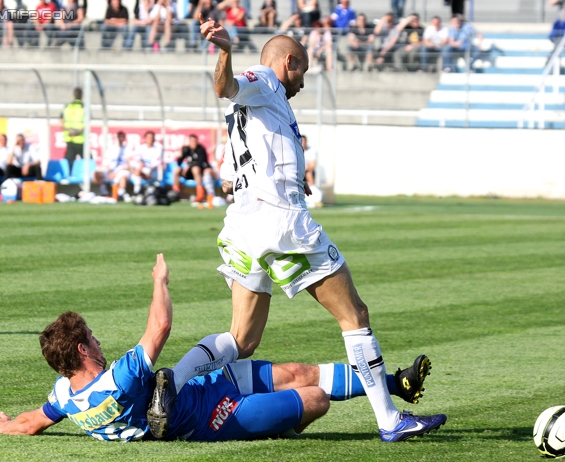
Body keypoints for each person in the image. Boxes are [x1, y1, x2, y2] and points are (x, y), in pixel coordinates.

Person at [146, 15, 448, 443]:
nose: (303, 82)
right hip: (281, 223)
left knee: (241, 339)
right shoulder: (266, 80)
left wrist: (289, 176)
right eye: (302, 70)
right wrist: (227, 51)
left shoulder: (247, 113)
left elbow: (233, 173)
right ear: (288, 61)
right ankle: (389, 419)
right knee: (354, 315)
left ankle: (169, 385)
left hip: (242, 222)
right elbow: (224, 85)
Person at [0, 254, 436, 442]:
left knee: (297, 369)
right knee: (314, 399)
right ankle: (279, 422)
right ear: (81, 348)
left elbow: (34, 423)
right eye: (91, 337)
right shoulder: (120, 378)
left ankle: (395, 383)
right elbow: (160, 325)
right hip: (213, 419)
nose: (98, 340)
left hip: (205, 386)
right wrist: (159, 281)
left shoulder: (65, 396)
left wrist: (3, 427)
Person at [172, 134, 215, 204]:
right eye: (191, 141)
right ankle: (175, 194)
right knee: (177, 170)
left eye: (195, 141)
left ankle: (200, 195)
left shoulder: (201, 149)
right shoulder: (186, 149)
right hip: (189, 173)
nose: (193, 143)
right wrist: (180, 152)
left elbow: (201, 162)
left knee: (195, 168)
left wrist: (189, 166)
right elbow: (179, 163)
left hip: (200, 172)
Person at [103, 131, 133, 201]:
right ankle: (105, 193)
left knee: (123, 176)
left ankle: (120, 194)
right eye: (119, 136)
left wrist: (116, 172)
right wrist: (110, 172)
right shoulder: (111, 148)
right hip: (111, 171)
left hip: (122, 170)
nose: (120, 138)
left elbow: (129, 164)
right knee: (96, 175)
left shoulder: (127, 148)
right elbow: (106, 162)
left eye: (122, 136)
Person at [60, 87, 84, 170]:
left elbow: (60, 121)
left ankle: (67, 176)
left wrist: (70, 130)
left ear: (73, 95)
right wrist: (76, 132)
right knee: (87, 160)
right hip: (80, 138)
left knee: (69, 160)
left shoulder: (67, 106)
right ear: (82, 95)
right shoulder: (83, 107)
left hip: (69, 137)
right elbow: (87, 124)